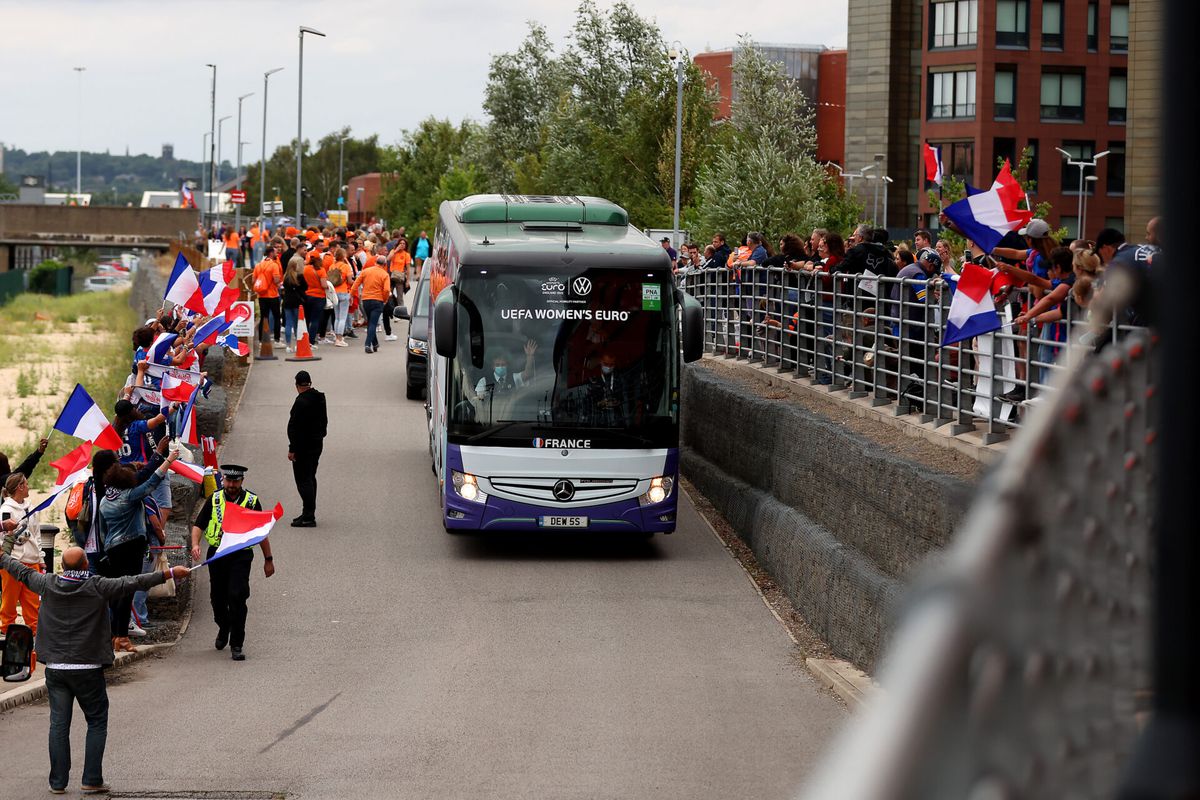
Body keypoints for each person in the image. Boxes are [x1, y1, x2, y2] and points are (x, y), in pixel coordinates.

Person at [1, 541, 188, 794]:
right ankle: (91, 779)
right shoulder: (98, 586)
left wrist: (2, 554)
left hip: (56, 668)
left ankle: (57, 782)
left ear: (62, 566)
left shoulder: (47, 583)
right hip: (88, 668)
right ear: (86, 564)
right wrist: (168, 573)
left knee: (58, 725)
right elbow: (133, 581)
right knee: (97, 721)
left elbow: (20, 571)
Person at [188, 464, 274, 661]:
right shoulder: (215, 499)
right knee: (217, 599)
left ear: (241, 481)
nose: (231, 485)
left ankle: (237, 643)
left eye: (235, 481)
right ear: (223, 480)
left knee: (237, 596)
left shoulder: (252, 501)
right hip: (217, 554)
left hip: (240, 555)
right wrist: (194, 545)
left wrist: (268, 559)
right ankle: (224, 626)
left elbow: (261, 532)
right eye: (228, 481)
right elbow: (199, 524)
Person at [98, 447, 178, 654]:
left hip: (112, 550)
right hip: (131, 548)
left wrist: (107, 551)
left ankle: (115, 636)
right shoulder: (130, 496)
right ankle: (123, 638)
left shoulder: (105, 502)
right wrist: (169, 459)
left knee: (117, 592)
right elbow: (152, 482)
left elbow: (102, 530)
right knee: (128, 590)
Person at [1, 472, 42, 636]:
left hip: (32, 560)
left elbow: (36, 533)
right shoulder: (6, 510)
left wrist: (40, 557)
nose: (29, 487)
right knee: (9, 601)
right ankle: (6, 631)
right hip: (12, 563)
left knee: (33, 602)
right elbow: (2, 539)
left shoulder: (31, 508)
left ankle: (35, 632)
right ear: (20, 487)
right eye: (26, 483)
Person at [287, 371, 327, 528]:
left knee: (303, 480)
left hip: (303, 447)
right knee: (311, 478)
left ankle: (309, 515)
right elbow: (324, 422)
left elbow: (295, 428)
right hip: (317, 444)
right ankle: (307, 512)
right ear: (310, 383)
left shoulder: (301, 402)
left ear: (297, 385)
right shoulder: (320, 398)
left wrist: (292, 449)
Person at [349, 254, 392, 353]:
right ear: (385, 264)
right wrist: (385, 300)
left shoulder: (366, 271)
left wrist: (351, 295)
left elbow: (356, 283)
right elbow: (386, 290)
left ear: (375, 262)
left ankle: (375, 343)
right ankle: (367, 344)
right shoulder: (384, 274)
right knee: (373, 323)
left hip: (366, 300)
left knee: (370, 322)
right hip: (378, 300)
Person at [252, 243, 284, 344]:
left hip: (262, 295)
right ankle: (277, 339)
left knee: (263, 317)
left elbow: (253, 280)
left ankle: (262, 340)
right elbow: (276, 280)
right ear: (271, 253)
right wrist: (279, 283)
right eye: (275, 252)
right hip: (273, 295)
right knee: (276, 316)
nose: (277, 253)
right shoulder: (274, 265)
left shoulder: (258, 265)